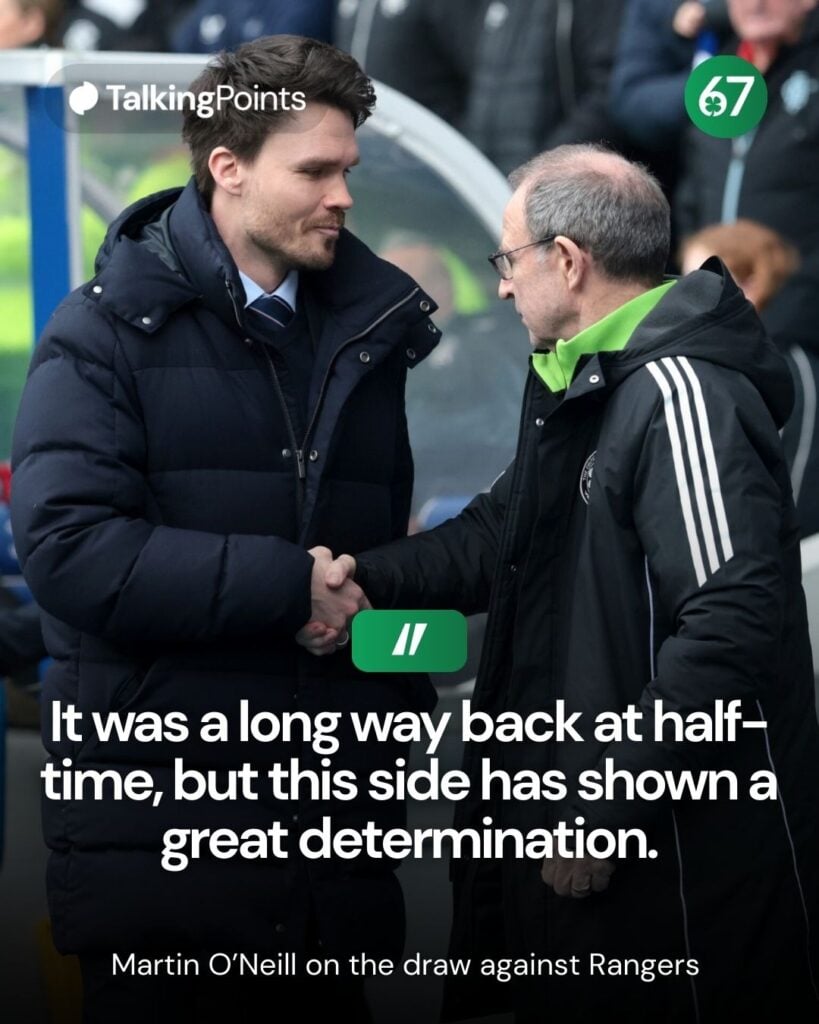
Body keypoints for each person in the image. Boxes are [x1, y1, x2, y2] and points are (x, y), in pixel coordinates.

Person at [302, 145, 819, 1022]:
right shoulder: (589, 379)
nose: (500, 289)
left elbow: (730, 620)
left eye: (508, 261)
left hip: (679, 879)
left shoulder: (679, 389)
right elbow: (494, 536)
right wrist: (355, 584)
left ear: (567, 261)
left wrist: (604, 797)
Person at [10, 34, 440, 1023]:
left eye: (351, 170)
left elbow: (365, 566)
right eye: (316, 170)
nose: (343, 195)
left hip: (330, 871)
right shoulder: (102, 331)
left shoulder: (371, 337)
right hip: (167, 868)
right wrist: (288, 587)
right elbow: (70, 551)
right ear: (229, 168)